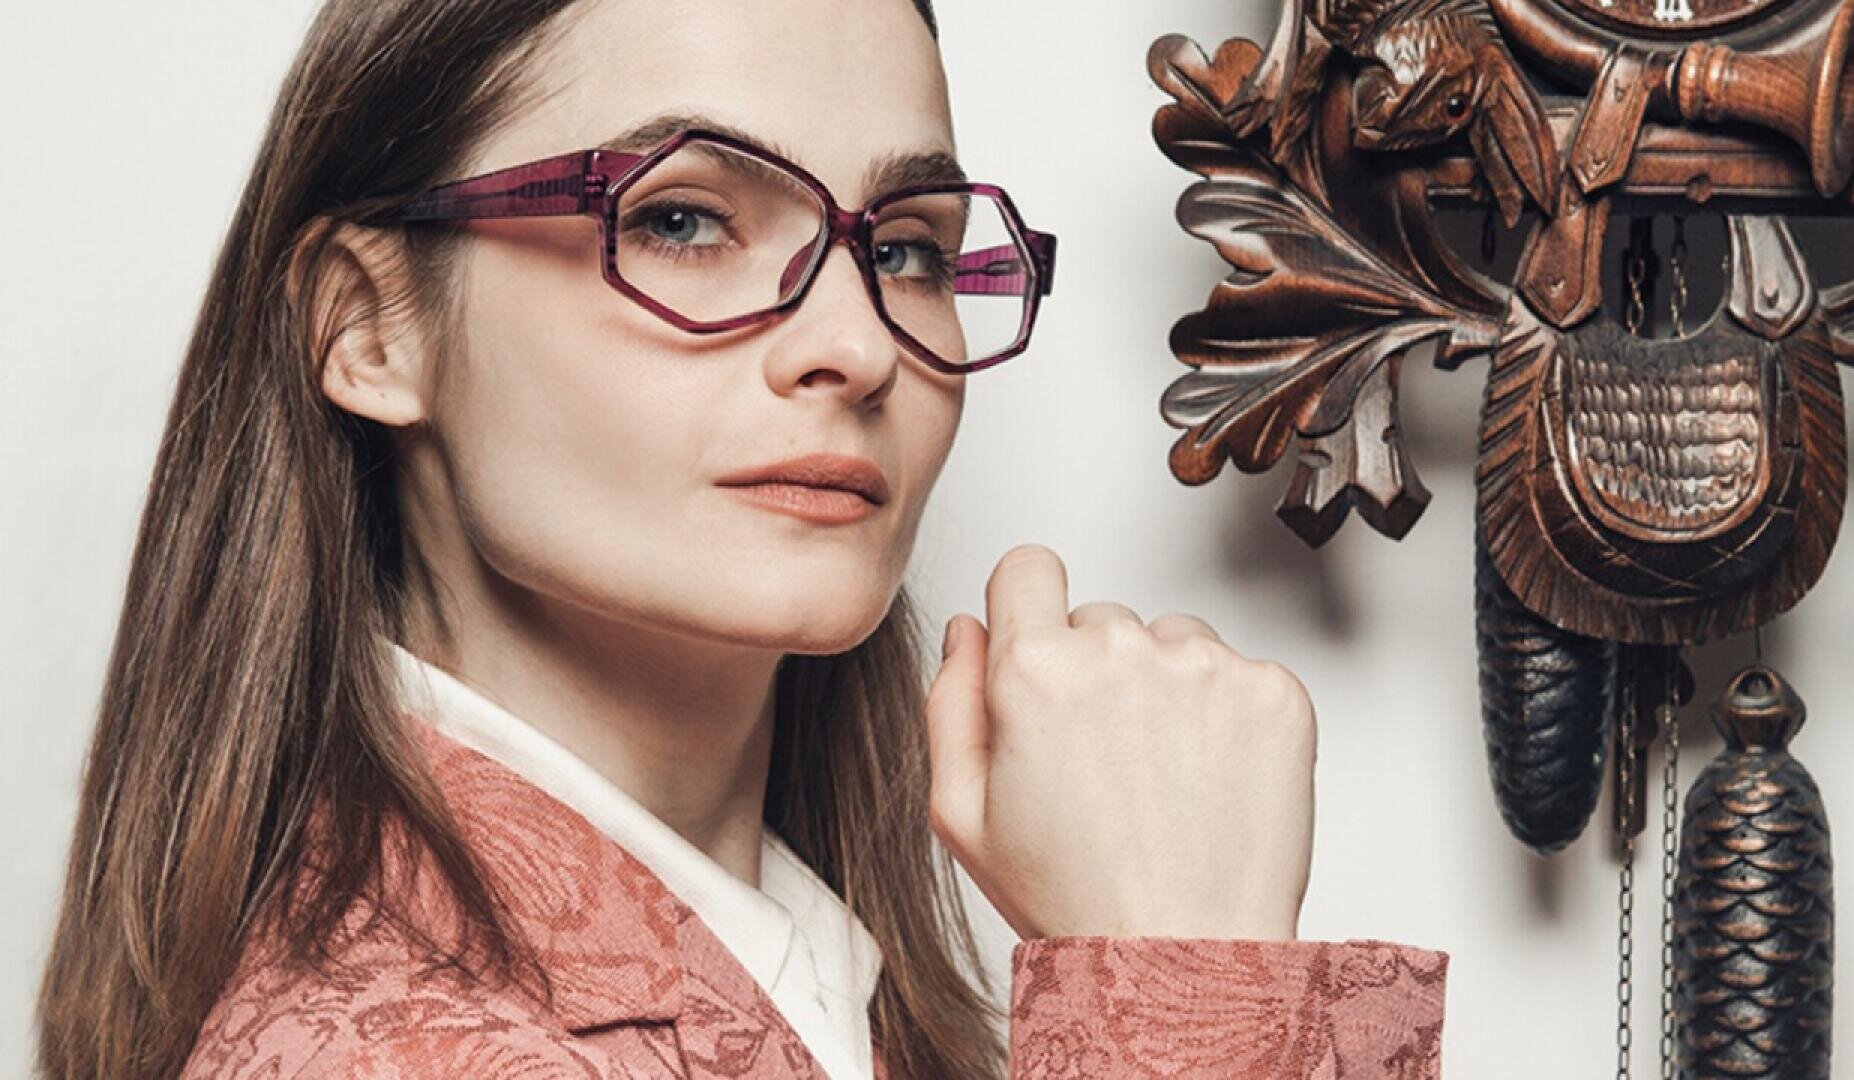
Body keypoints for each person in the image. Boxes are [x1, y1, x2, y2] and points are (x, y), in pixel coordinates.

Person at [33, 0, 1448, 1076]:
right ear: (368, 326)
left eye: (903, 247)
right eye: (683, 219)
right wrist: (1183, 985)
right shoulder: (384, 1051)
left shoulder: (817, 979)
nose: (857, 344)